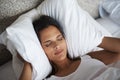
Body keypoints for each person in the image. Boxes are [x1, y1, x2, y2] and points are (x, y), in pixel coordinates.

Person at [19, 15, 120, 80]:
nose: (57, 45)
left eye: (59, 38)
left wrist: (95, 39)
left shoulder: (88, 57)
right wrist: (29, 60)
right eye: (48, 43)